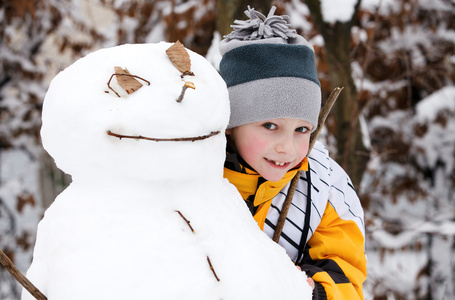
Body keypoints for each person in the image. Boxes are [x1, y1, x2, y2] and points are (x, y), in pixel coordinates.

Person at [219, 6, 367, 299]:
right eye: (270, 125)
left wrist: (314, 291)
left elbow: (347, 275)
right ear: (231, 125)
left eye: (302, 130)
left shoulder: (325, 190)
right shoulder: (195, 172)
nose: (287, 147)